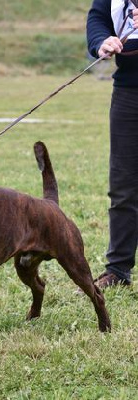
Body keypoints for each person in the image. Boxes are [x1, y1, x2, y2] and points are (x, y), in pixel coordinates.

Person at [87, 0, 138, 288]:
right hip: (128, 91)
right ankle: (118, 271)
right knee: (123, 186)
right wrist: (100, 42)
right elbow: (97, 18)